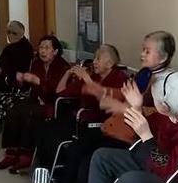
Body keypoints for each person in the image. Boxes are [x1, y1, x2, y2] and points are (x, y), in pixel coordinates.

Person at [44, 31, 176, 183]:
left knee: (89, 161)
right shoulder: (144, 74)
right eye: (143, 49)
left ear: (163, 57)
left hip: (134, 140)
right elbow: (123, 95)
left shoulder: (167, 83)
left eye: (147, 51)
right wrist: (106, 95)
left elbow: (161, 118)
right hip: (117, 128)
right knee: (78, 147)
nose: (142, 54)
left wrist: (123, 107)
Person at [34, 44, 127, 172]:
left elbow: (107, 104)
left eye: (98, 59)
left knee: (57, 136)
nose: (94, 62)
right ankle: (45, 170)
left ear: (109, 63)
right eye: (94, 58)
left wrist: (86, 78)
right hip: (79, 120)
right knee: (45, 127)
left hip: (99, 125)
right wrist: (67, 74)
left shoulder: (119, 78)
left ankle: (57, 172)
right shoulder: (94, 76)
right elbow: (60, 92)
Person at [0, 35, 70, 172]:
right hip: (36, 100)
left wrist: (38, 81)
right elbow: (27, 86)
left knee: (30, 113)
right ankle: (11, 153)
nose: (42, 51)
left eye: (47, 48)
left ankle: (26, 156)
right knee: (14, 109)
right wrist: (21, 79)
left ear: (55, 51)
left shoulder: (63, 67)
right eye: (41, 47)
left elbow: (58, 93)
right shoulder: (36, 63)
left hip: (52, 104)